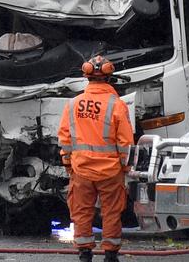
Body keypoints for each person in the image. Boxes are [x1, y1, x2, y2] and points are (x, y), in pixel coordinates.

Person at [57, 55, 134, 262]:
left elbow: (65, 139)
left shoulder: (73, 104)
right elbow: (125, 142)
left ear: (86, 77)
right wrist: (125, 169)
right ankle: (110, 254)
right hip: (110, 171)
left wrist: (67, 163)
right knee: (111, 212)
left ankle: (84, 253)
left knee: (81, 212)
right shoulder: (117, 105)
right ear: (109, 78)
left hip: (81, 169)